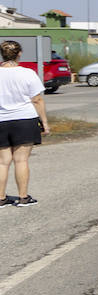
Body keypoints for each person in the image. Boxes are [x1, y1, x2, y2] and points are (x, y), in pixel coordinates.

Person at [0, 40, 50, 207]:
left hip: (1, 120)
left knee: (2, 162)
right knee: (21, 160)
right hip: (24, 120)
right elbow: (37, 99)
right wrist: (44, 122)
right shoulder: (28, 73)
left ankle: (1, 198)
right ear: (19, 53)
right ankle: (23, 197)